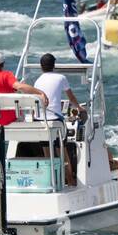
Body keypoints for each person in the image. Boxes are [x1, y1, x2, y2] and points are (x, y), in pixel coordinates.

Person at [33, 52, 82, 186]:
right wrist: (79, 108)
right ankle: (70, 180)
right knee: (62, 151)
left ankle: (51, 181)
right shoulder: (61, 77)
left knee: (47, 152)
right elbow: (71, 98)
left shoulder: (37, 80)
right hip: (55, 120)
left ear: (41, 67)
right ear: (54, 65)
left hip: (40, 120)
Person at [0, 50, 46, 126]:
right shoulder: (6, 76)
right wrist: (40, 92)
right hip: (12, 120)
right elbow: (19, 86)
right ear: (2, 65)